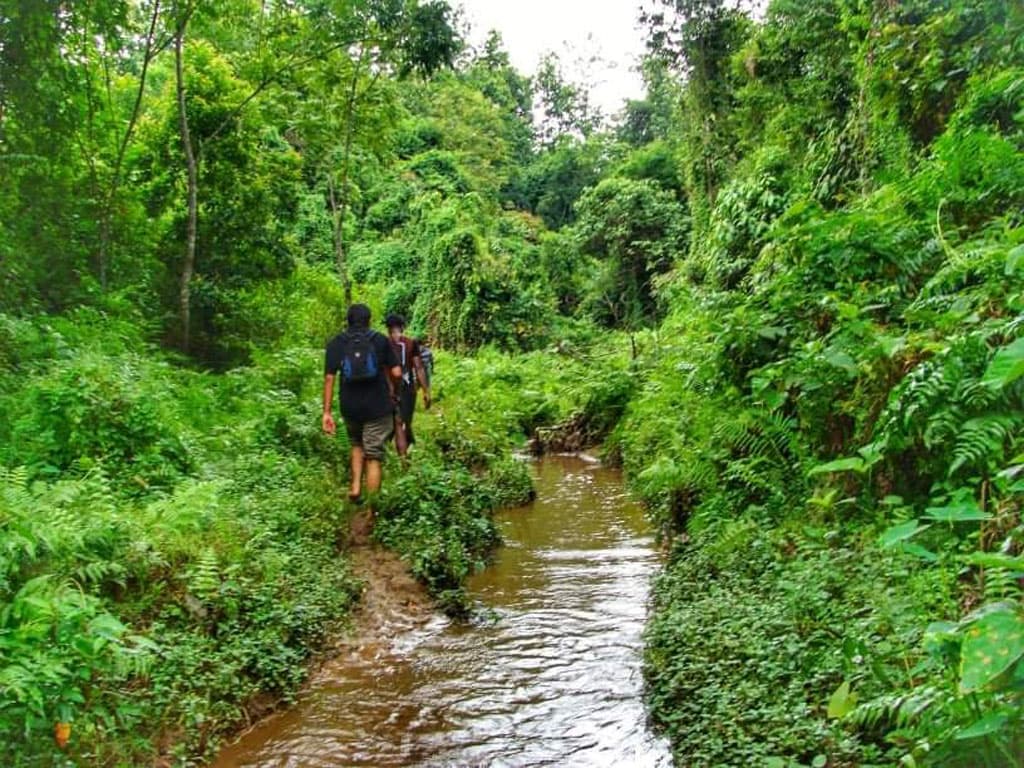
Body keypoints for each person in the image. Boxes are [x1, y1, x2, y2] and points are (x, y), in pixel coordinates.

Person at [322, 303, 401, 503]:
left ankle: (356, 486)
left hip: (350, 407)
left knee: (357, 443)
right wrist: (394, 390)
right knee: (373, 454)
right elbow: (396, 372)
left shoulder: (336, 343)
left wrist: (327, 412)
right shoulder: (380, 340)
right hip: (377, 405)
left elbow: (329, 378)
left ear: (347, 320)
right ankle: (371, 508)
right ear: (369, 320)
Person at [384, 314, 431, 458]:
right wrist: (426, 390)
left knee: (395, 422)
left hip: (388, 388)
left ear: (387, 329)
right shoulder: (411, 343)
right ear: (403, 327)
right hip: (408, 388)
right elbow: (419, 368)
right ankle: (405, 453)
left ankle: (399, 452)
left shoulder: (383, 343)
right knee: (403, 421)